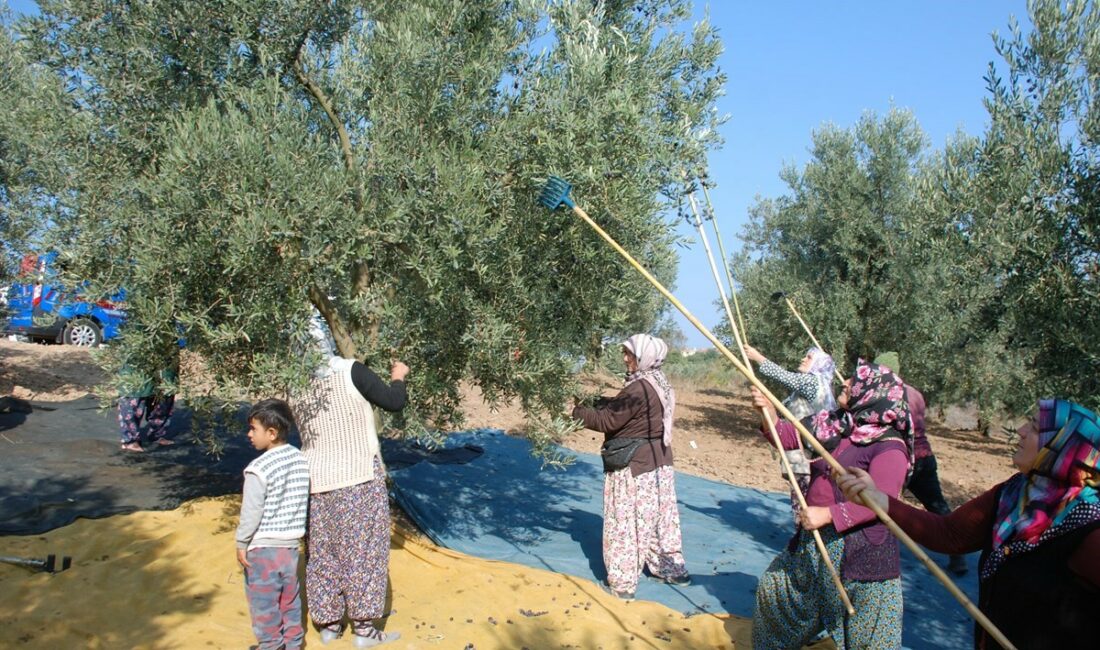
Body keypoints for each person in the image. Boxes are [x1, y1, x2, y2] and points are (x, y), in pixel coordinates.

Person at [837, 398, 1100, 648]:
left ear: (1064, 446)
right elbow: (949, 534)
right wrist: (880, 500)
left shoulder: (1089, 527)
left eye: (1034, 427)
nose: (1020, 431)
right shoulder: (1014, 494)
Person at [750, 359, 912, 650]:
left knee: (865, 634)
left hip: (861, 556)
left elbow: (882, 500)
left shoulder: (890, 447)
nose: (846, 383)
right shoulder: (837, 423)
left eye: (854, 381)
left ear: (872, 394)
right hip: (814, 545)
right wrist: (769, 414)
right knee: (774, 594)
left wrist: (827, 514)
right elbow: (787, 437)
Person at [293, 315, 407, 647]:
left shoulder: (293, 382)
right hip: (358, 475)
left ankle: (328, 626)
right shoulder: (350, 370)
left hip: (317, 479)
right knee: (364, 551)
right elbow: (394, 401)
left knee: (323, 551)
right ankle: (364, 631)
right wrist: (398, 377)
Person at [571, 333, 690, 601]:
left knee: (625, 522)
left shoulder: (638, 389)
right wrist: (592, 399)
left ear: (643, 357)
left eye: (629, 354)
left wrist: (575, 411)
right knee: (659, 519)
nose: (625, 359)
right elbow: (620, 407)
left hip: (635, 465)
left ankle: (623, 583)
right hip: (658, 463)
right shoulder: (657, 381)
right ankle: (670, 570)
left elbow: (608, 422)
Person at [873, 351, 967, 576]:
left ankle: (873, 552)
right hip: (925, 457)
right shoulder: (915, 393)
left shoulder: (887, 394)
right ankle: (958, 555)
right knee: (937, 505)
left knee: (880, 502)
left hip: (902, 458)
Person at [236, 398, 310, 650]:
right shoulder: (300, 459)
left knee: (264, 602)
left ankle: (270, 645)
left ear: (271, 433)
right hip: (290, 548)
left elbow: (251, 512)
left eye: (253, 429)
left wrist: (242, 542)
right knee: (289, 599)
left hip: (263, 549)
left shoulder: (258, 468)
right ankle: (293, 643)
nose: (249, 434)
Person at [743, 344, 838, 515]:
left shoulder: (812, 381)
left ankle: (803, 535)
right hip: (810, 451)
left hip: (805, 453)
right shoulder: (823, 386)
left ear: (818, 364)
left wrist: (757, 358)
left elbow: (784, 376)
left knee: (804, 502)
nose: (803, 359)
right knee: (806, 498)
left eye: (809, 357)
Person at [117, 353, 179, 452]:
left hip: (164, 364)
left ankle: (157, 435)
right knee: (132, 405)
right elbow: (111, 337)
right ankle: (130, 441)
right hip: (136, 364)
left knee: (163, 404)